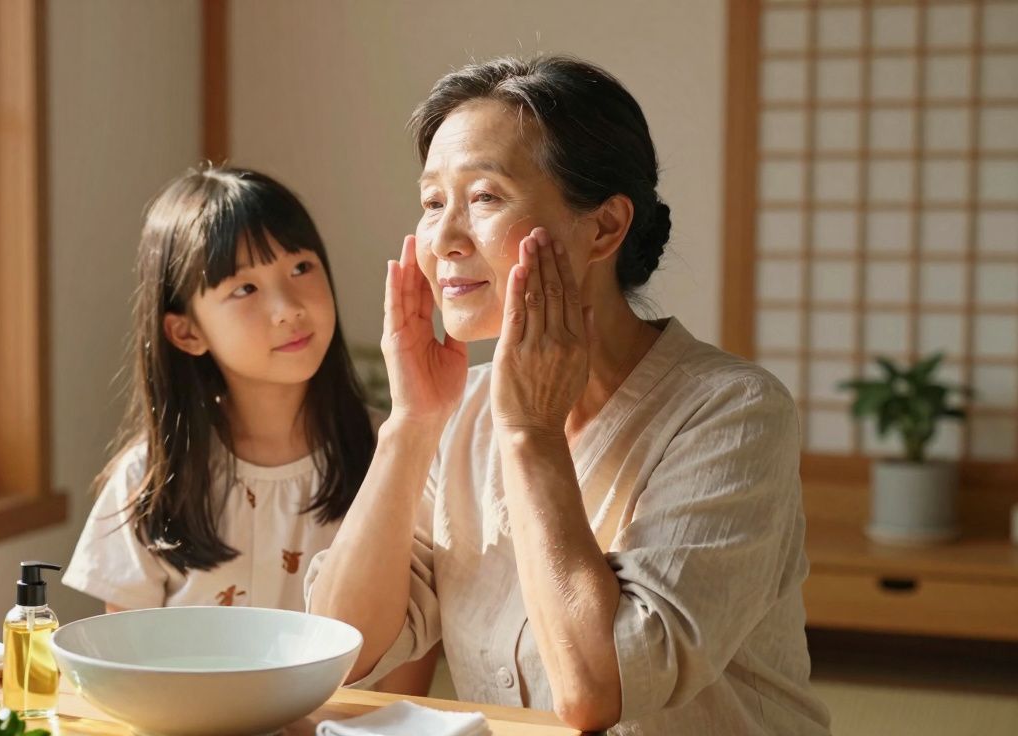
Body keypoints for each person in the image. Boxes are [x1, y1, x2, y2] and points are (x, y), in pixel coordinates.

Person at [306, 56, 832, 734]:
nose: (442, 239)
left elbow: (594, 692)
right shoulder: (458, 414)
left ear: (606, 227)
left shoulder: (734, 413)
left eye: (485, 197)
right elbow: (337, 650)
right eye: (433, 202)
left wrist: (530, 435)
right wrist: (412, 422)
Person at [63, 165, 437, 695]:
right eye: (244, 288)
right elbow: (134, 678)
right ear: (187, 331)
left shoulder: (399, 454)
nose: (288, 308)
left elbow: (404, 686)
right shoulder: (147, 481)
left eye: (302, 266)